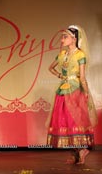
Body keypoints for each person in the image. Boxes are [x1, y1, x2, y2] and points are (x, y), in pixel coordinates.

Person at [46, 25, 97, 164]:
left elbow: (82, 76)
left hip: (75, 91)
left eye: (65, 36)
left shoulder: (80, 55)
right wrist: (60, 76)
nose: (62, 39)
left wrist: (86, 93)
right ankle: (75, 153)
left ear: (74, 38)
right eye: (62, 36)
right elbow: (50, 67)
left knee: (75, 120)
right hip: (63, 90)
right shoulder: (62, 54)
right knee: (65, 120)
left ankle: (81, 150)